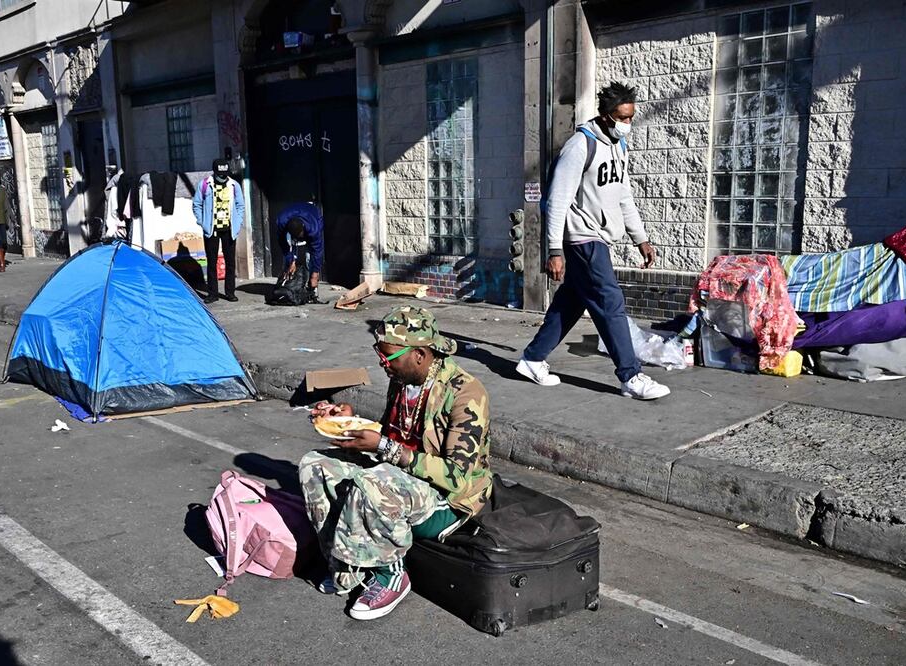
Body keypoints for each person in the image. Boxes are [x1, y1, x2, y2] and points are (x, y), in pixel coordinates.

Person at [300, 305, 494, 621]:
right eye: (379, 351)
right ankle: (348, 565)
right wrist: (348, 420)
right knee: (316, 465)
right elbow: (394, 434)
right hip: (402, 474)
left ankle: (390, 575)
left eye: (388, 355)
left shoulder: (465, 393)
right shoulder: (403, 378)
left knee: (371, 484)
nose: (382, 361)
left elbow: (457, 476)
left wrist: (386, 449)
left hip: (449, 500)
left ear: (419, 354)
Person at [517, 81, 670, 400]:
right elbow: (557, 201)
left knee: (570, 303)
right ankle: (631, 375)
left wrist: (640, 238)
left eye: (631, 117)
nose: (627, 123)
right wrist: (554, 249)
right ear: (605, 115)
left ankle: (532, 359)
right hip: (583, 238)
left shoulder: (619, 147)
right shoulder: (579, 146)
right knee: (610, 301)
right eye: (622, 117)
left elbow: (624, 197)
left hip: (600, 238)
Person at [193, 158, 244, 303]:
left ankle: (230, 292)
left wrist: (238, 223)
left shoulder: (234, 185)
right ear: (214, 172)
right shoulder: (205, 184)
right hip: (211, 229)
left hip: (229, 229)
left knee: (230, 262)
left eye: (225, 174)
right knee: (212, 262)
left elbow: (240, 205)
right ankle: (212, 294)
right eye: (220, 174)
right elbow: (197, 204)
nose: (222, 177)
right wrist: (202, 222)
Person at [275, 198, 324, 303]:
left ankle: (312, 290)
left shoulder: (313, 228)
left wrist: (315, 273)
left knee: (310, 256)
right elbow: (283, 243)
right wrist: (291, 261)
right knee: (288, 260)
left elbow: (317, 251)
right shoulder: (281, 222)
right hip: (291, 215)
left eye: (300, 236)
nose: (299, 239)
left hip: (313, 214)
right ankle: (290, 286)